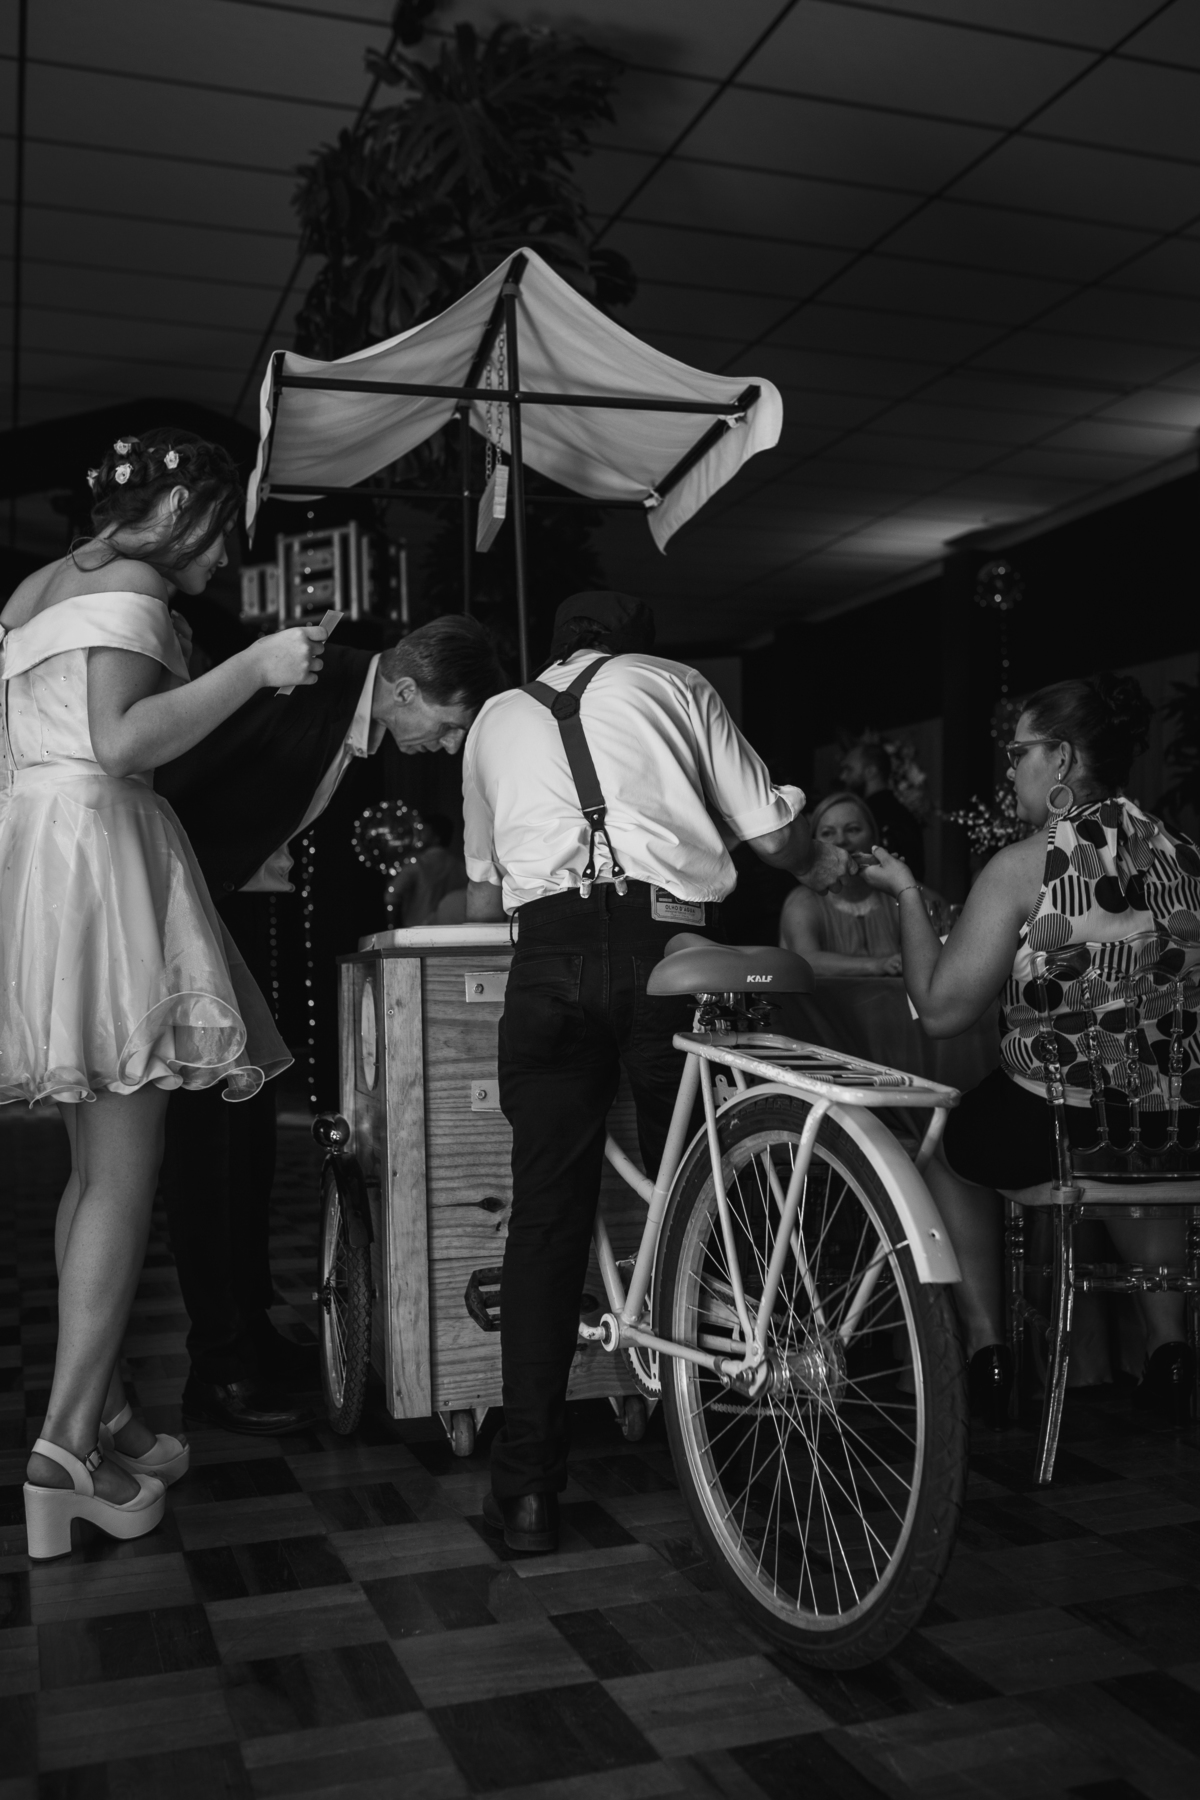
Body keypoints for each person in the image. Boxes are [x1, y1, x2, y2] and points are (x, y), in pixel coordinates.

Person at [462, 590, 849, 1553]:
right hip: (667, 949)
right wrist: (803, 833)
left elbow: (480, 887)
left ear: (557, 648)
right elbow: (777, 843)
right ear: (635, 647)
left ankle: (526, 1493)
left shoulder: (494, 718)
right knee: (711, 1190)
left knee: (545, 1219)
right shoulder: (674, 683)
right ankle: (747, 1451)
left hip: (546, 961)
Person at [0, 428, 323, 1557]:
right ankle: (64, 1449)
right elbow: (121, 741)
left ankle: (104, 1412)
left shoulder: (35, 589)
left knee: (92, 1170)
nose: (227, 556)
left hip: (40, 859)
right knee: (126, 1177)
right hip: (101, 859)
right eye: (224, 529)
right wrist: (258, 668)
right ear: (181, 509)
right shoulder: (135, 584)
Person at [155, 614, 506, 1433]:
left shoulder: (351, 709)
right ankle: (220, 1365)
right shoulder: (303, 680)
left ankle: (248, 1334)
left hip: (230, 912)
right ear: (406, 690)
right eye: (449, 724)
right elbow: (174, 777)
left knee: (247, 1142)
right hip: (184, 913)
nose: (449, 745)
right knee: (209, 1146)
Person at [861, 674, 1200, 1427]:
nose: (1009, 770)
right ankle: (1169, 1350)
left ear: (1062, 758)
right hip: (1177, 1124)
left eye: (1019, 754)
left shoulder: (1029, 865)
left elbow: (941, 1011)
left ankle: (990, 1350)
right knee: (1132, 1139)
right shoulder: (1185, 856)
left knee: (943, 1144)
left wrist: (907, 894)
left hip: (1055, 1123)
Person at [780, 791, 905, 976]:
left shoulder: (899, 895)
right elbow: (805, 960)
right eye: (828, 833)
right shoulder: (803, 901)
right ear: (815, 843)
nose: (840, 840)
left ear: (873, 837)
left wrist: (903, 883)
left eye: (852, 829)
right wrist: (878, 965)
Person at [840, 738, 925, 877]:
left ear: (871, 771)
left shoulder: (870, 815)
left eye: (849, 769)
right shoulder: (902, 812)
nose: (843, 777)